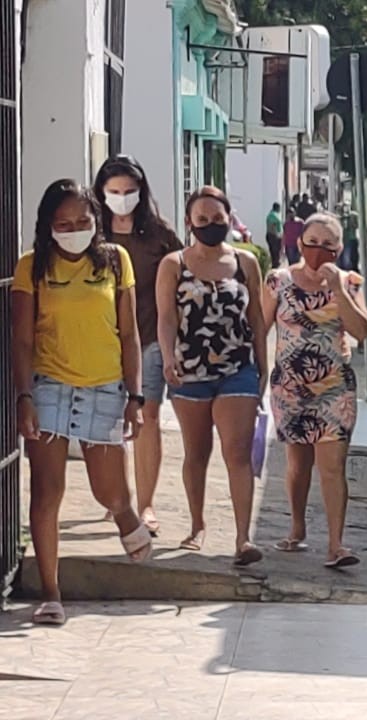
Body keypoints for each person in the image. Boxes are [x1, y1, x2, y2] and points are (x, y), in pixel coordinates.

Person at [13, 180, 151, 625]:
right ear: (48, 226)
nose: (73, 230)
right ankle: (52, 594)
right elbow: (20, 338)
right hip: (50, 385)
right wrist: (25, 397)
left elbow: (129, 334)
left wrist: (135, 395)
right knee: (47, 492)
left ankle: (125, 513)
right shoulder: (31, 268)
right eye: (63, 224)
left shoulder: (115, 261)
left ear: (97, 222)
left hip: (106, 387)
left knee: (107, 491)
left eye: (82, 222)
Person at [156, 186, 268, 566]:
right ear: (189, 222)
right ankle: (197, 524)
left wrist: (263, 366)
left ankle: (243, 537)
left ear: (228, 219)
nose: (210, 225)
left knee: (237, 452)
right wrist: (169, 356)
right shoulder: (174, 264)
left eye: (217, 219)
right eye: (202, 219)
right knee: (197, 452)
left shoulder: (245, 263)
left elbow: (256, 318)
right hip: (190, 371)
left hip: (238, 369)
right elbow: (167, 317)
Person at [264, 212, 367, 568]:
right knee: (297, 464)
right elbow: (260, 328)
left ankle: (337, 544)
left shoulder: (350, 282)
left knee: (333, 465)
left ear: (339, 249)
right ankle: (297, 528)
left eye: (328, 245)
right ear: (299, 243)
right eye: (312, 242)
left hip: (334, 389)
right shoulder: (277, 281)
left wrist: (338, 288)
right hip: (290, 389)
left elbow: (362, 331)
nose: (318, 251)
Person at [93, 155, 183, 538]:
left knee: (146, 419)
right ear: (101, 193)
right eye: (114, 192)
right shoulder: (92, 232)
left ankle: (145, 504)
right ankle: (119, 500)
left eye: (129, 191)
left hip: (147, 339)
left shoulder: (159, 235)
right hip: (99, 343)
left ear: (141, 191)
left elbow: (183, 278)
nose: (122, 198)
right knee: (107, 423)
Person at [265, 202, 284, 268]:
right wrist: (280, 233)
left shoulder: (270, 214)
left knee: (272, 251)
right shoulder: (274, 215)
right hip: (274, 236)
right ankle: (275, 265)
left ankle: (274, 264)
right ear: (277, 208)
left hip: (269, 235)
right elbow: (277, 224)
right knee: (276, 251)